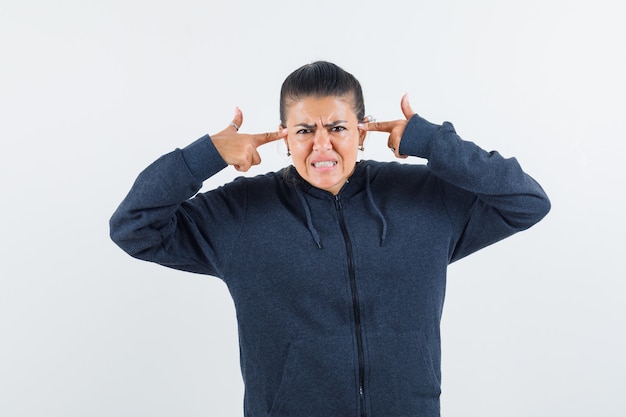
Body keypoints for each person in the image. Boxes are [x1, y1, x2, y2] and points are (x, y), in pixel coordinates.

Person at [110, 61, 550, 417]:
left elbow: (527, 201)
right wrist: (205, 155)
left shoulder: (424, 198)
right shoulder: (241, 214)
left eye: (337, 128)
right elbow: (134, 226)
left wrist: (433, 142)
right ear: (284, 138)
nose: (321, 146)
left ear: (362, 131)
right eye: (304, 130)